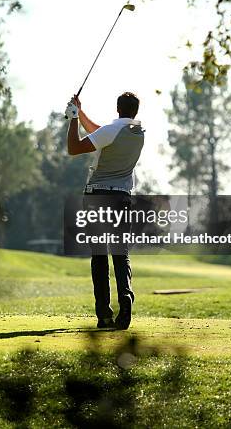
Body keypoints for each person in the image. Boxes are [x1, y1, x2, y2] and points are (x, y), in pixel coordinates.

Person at [65, 92, 145, 329]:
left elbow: (74, 148)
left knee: (99, 256)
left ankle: (104, 314)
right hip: (122, 199)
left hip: (97, 197)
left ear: (117, 108)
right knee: (121, 255)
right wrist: (80, 113)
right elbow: (100, 132)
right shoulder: (136, 133)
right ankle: (126, 302)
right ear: (134, 111)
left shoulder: (111, 131)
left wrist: (72, 119)